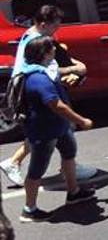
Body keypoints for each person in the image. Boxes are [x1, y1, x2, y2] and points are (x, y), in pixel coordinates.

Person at [0, 5, 87, 188]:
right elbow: (48, 68)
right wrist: (75, 69)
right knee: (57, 129)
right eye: (55, 25)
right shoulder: (38, 42)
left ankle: (16, 162)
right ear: (42, 23)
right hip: (42, 92)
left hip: (35, 91)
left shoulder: (32, 34)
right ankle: (66, 170)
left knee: (52, 132)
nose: (57, 29)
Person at [17, 36, 95, 223]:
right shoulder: (37, 78)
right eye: (52, 48)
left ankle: (74, 192)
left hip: (59, 127)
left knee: (69, 154)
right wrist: (81, 120)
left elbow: (58, 79)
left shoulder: (47, 70)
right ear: (44, 53)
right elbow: (56, 105)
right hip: (45, 131)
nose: (56, 50)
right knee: (37, 169)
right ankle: (29, 209)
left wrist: (71, 79)